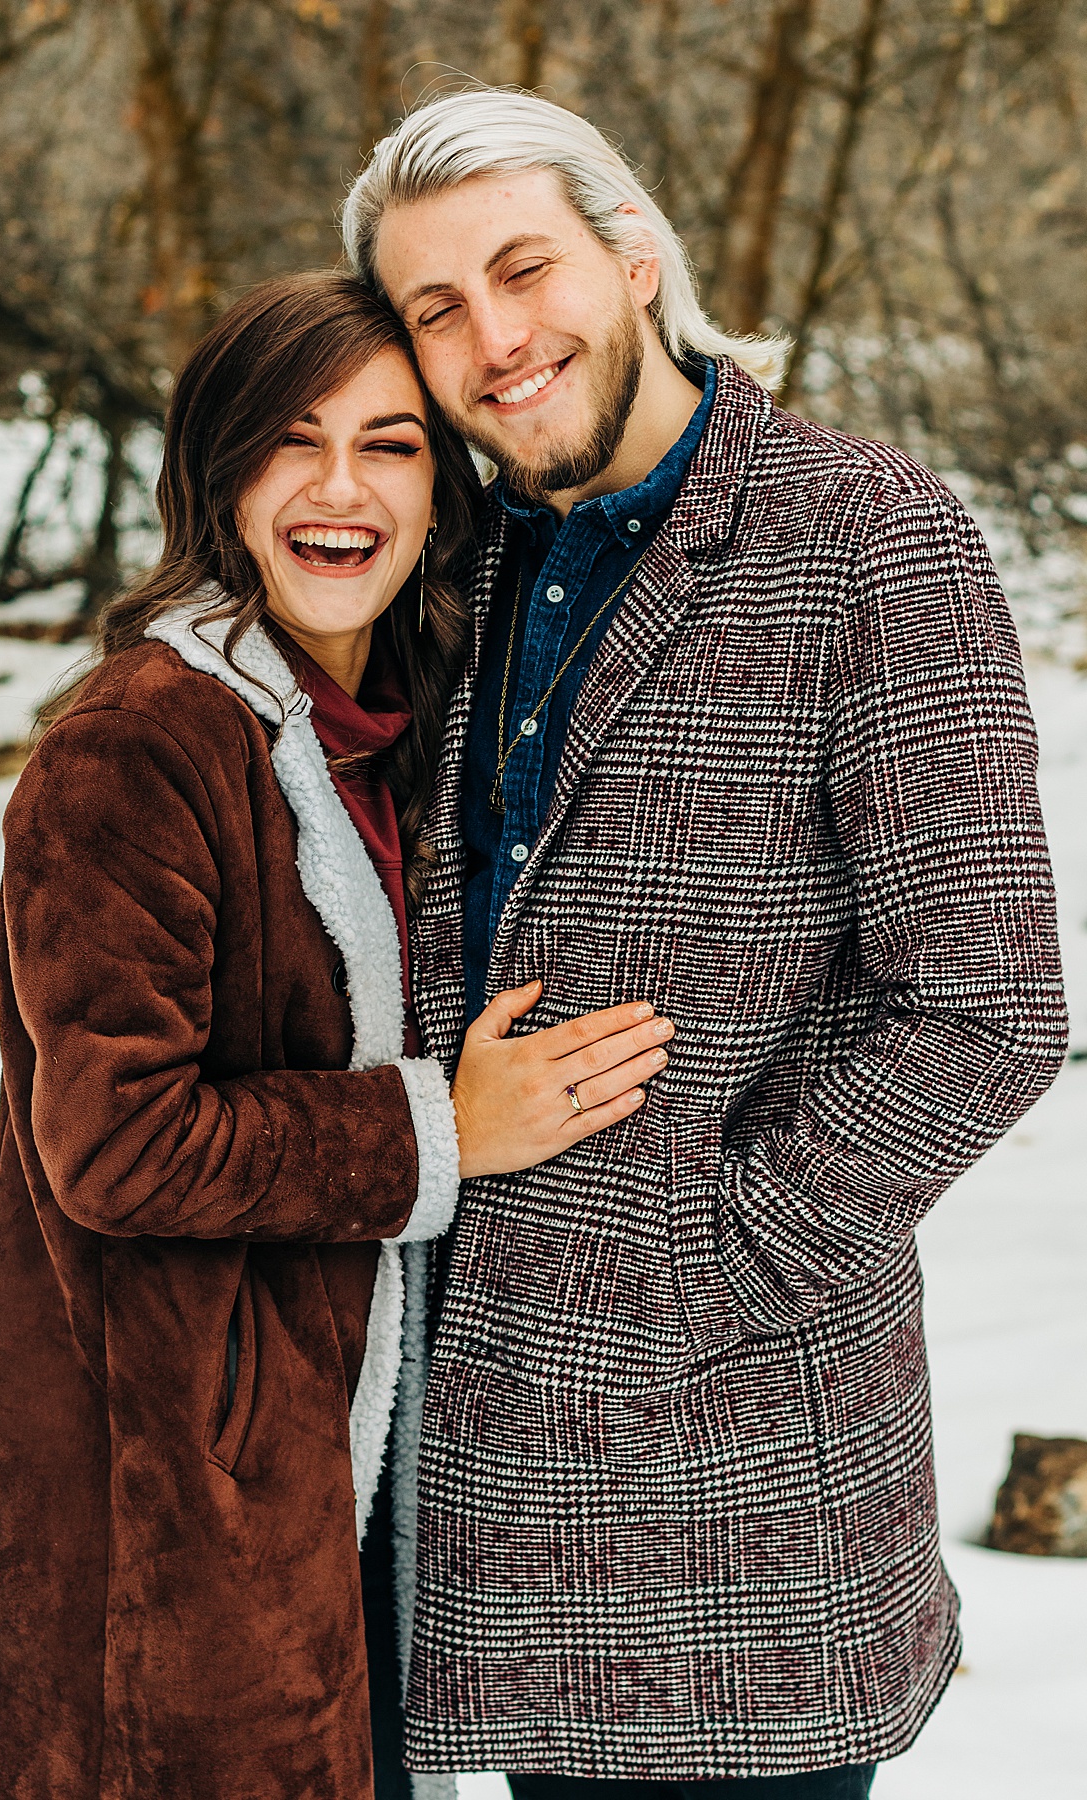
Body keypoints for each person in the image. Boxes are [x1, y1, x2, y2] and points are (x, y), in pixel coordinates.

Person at [342, 90, 1070, 1795]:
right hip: (471, 1461)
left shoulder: (868, 541)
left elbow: (985, 1004)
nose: (494, 340)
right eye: (435, 310)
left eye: (525, 270)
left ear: (636, 253)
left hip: (739, 1486)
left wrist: (709, 1258)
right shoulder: (452, 556)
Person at [0, 272, 678, 1800]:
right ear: (219, 476)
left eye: (394, 444)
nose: (342, 490)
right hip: (183, 1517)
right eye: (294, 442)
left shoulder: (402, 736)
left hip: (361, 1491)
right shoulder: (135, 749)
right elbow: (116, 1145)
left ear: (445, 488)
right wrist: (442, 1130)